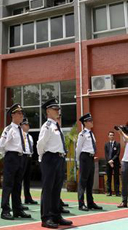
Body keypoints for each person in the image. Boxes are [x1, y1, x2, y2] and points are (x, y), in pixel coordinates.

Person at [37, 98, 73, 229]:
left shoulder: (56, 126)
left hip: (59, 158)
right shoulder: (47, 126)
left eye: (58, 109)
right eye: (55, 109)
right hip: (50, 158)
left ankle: (56, 215)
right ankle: (46, 218)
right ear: (48, 111)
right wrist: (43, 157)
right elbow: (40, 144)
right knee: (48, 189)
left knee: (56, 188)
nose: (57, 110)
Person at [0, 103, 32, 221]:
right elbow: (0, 145)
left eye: (22, 113)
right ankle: (5, 210)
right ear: (12, 115)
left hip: (20, 158)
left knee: (17, 185)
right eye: (19, 113)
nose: (21, 115)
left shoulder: (20, 130)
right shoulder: (9, 129)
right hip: (11, 157)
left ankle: (17, 209)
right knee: (8, 185)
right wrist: (7, 154)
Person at [76, 113, 102, 211]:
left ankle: (90, 203)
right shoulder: (82, 134)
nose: (92, 122)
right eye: (90, 121)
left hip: (91, 158)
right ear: (85, 123)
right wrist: (78, 161)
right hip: (84, 157)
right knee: (83, 181)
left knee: (90, 181)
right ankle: (81, 203)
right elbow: (78, 149)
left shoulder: (92, 133)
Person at [21, 118, 37, 205]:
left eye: (28, 125)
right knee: (20, 178)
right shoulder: (20, 135)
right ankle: (18, 199)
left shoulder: (30, 137)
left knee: (27, 179)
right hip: (22, 156)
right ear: (21, 125)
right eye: (25, 124)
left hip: (29, 157)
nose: (28, 126)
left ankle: (28, 198)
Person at [104, 131, 120, 196]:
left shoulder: (117, 144)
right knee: (109, 178)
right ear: (108, 136)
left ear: (114, 136)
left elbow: (117, 154)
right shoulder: (106, 144)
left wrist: (112, 160)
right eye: (110, 135)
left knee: (116, 177)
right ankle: (109, 192)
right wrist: (109, 161)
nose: (111, 136)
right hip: (108, 163)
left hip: (115, 163)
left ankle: (117, 192)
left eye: (112, 135)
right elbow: (106, 154)